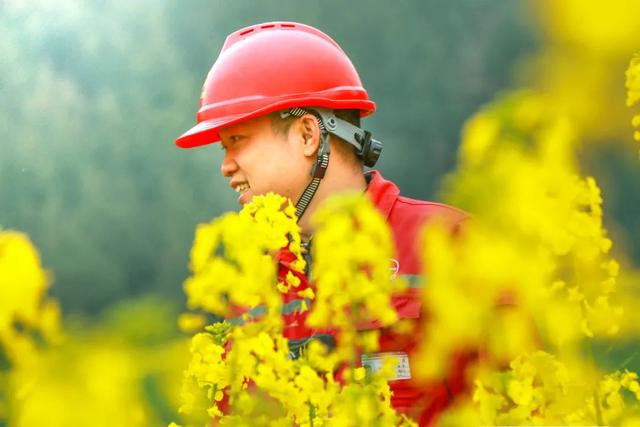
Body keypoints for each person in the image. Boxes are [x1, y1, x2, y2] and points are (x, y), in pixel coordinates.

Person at [175, 21, 469, 426]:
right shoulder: (253, 291)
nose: (225, 166)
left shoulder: (451, 245)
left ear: (307, 135)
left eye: (236, 141)